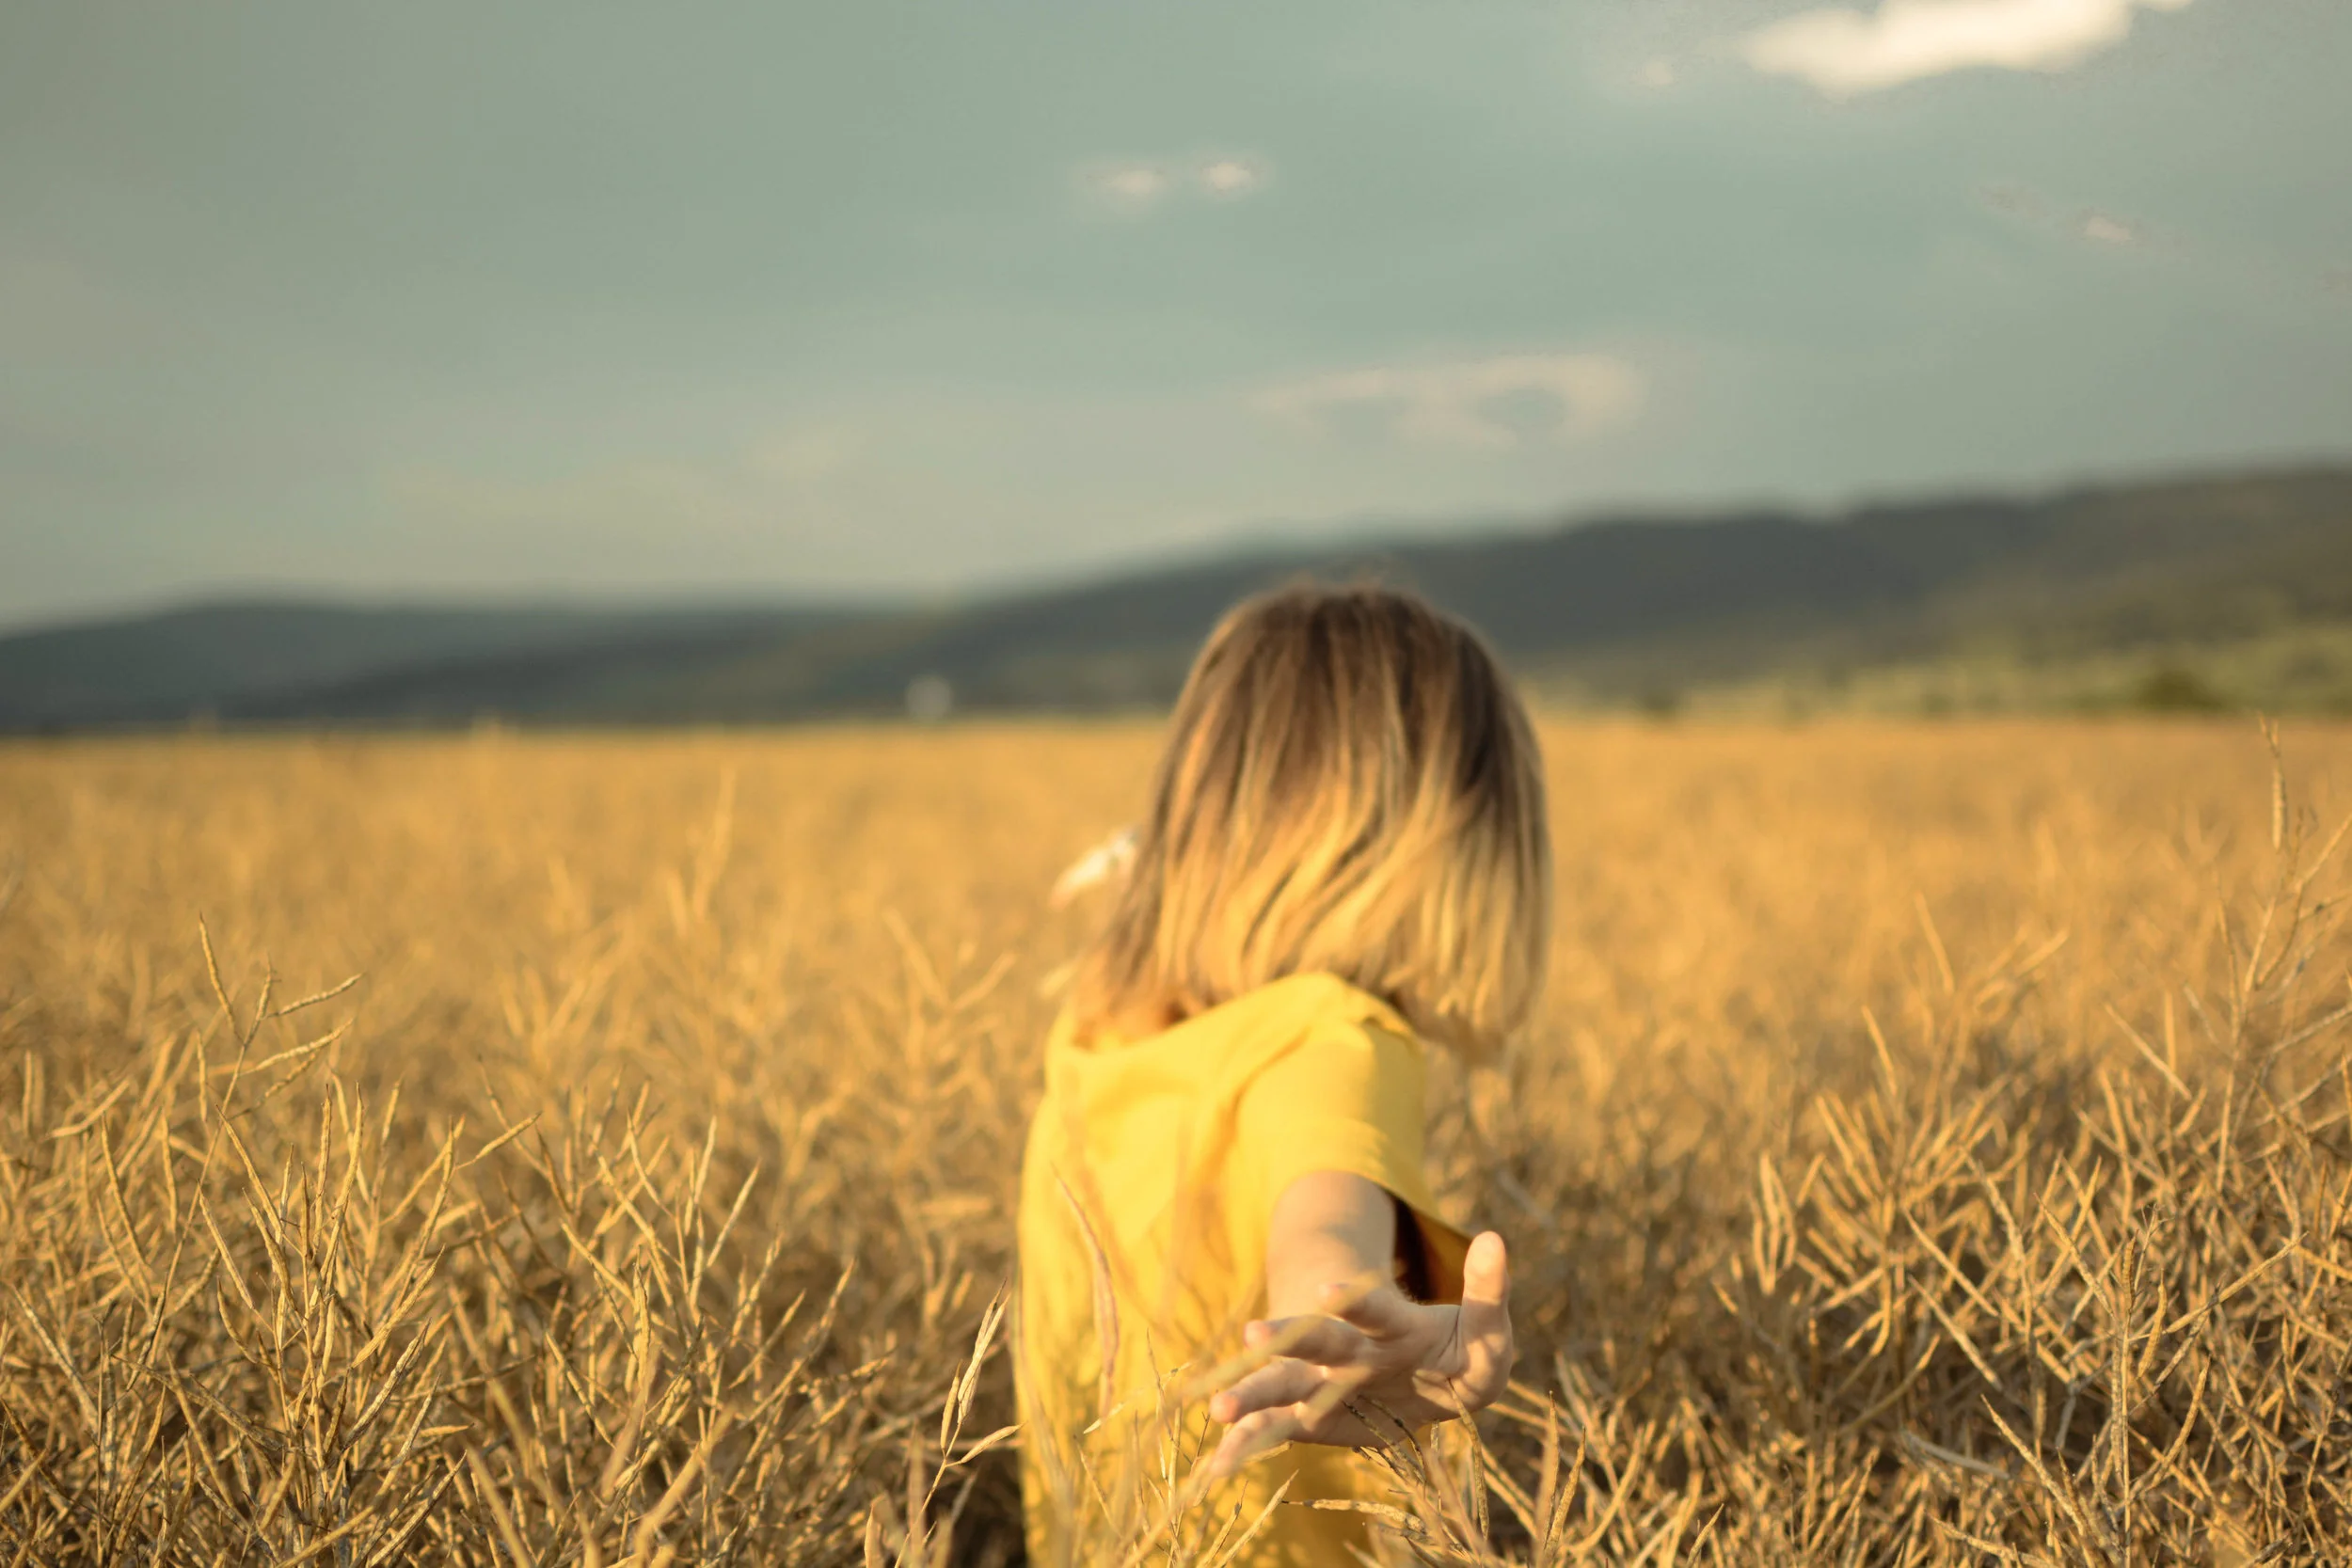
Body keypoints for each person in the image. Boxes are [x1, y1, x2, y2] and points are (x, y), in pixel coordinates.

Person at [1016, 582, 1552, 1565]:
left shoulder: (1107, 1024)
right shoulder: (1336, 1041)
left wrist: (1138, 856)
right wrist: (1338, 1306)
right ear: (1447, 848)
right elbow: (1324, 1229)